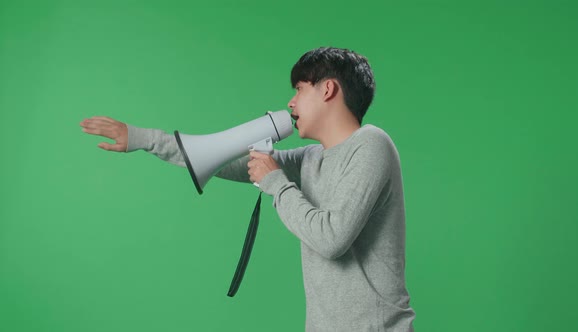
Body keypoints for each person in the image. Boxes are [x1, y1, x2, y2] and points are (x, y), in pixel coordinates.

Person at [80, 47, 416, 331]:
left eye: (299, 89)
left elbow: (332, 239)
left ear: (327, 89)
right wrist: (144, 140)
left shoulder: (371, 144)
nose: (292, 102)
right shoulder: (312, 159)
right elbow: (224, 162)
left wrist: (275, 183)